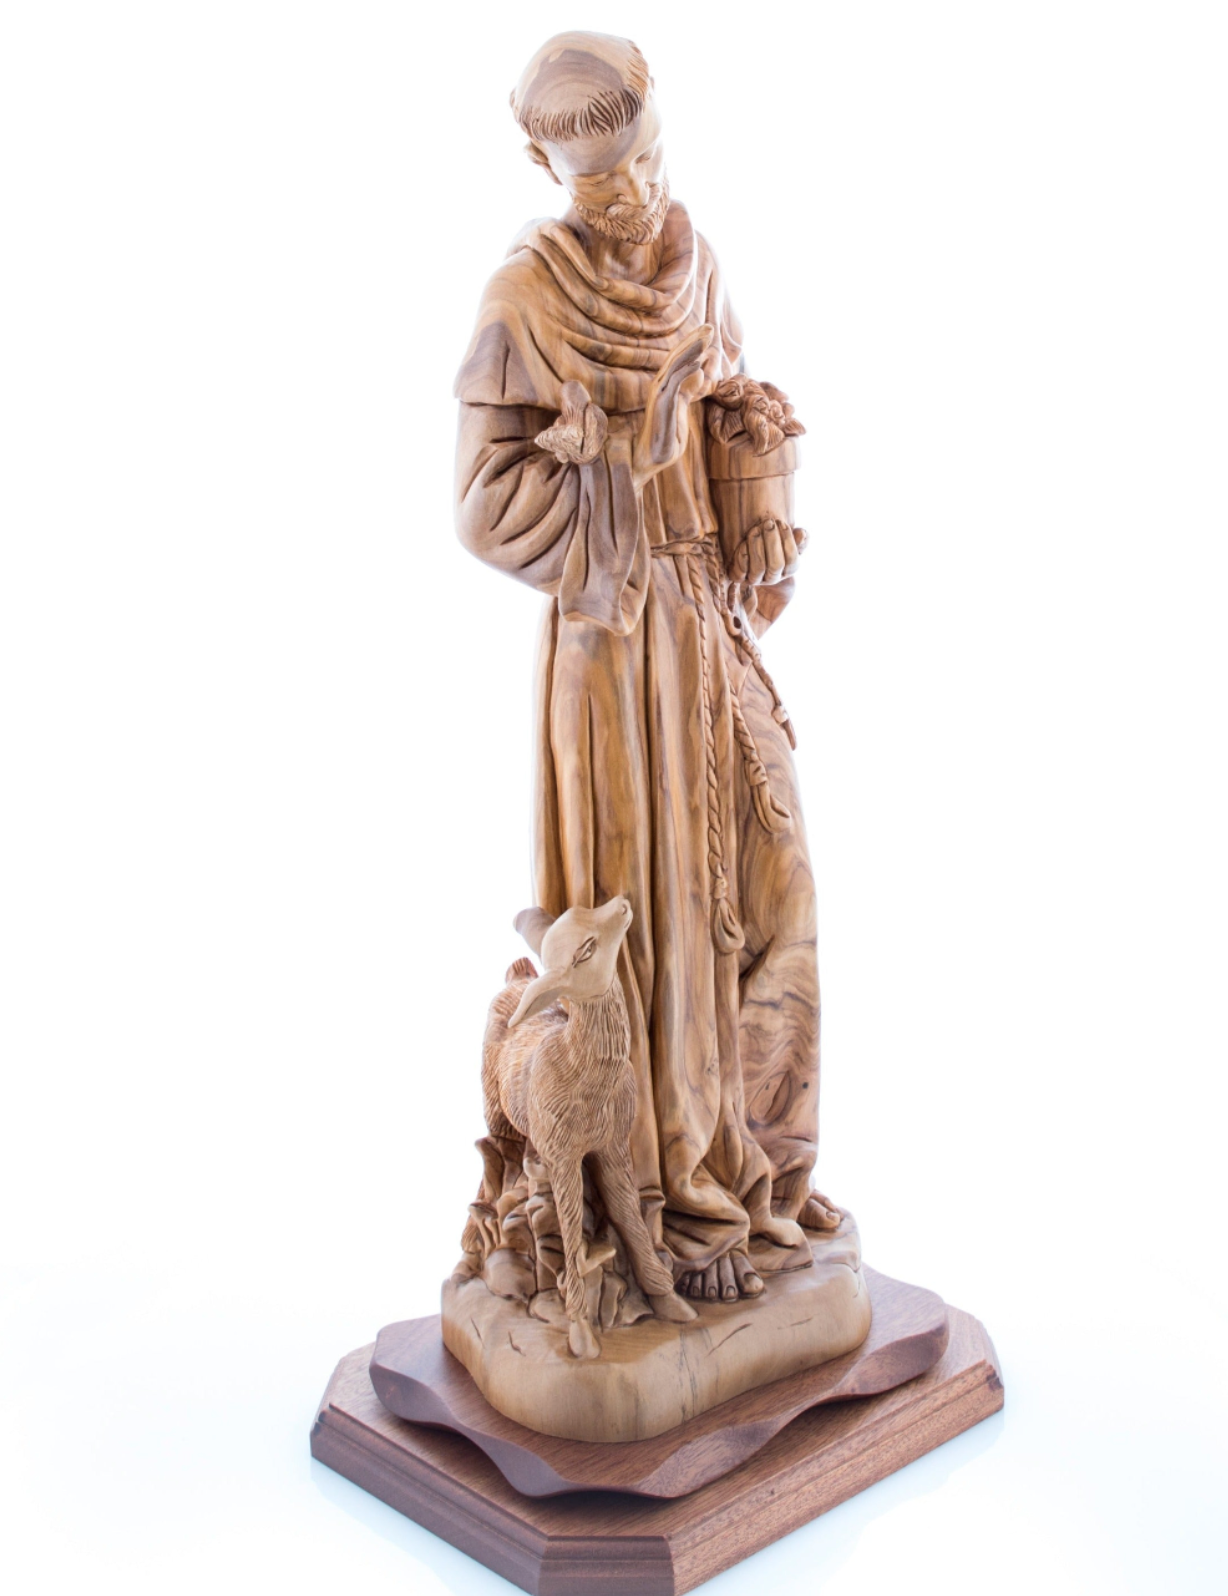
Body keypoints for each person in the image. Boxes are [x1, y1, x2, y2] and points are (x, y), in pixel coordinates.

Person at [455, 31, 838, 1303]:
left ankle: (756, 1163)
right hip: (614, 647)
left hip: (703, 619)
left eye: (650, 158)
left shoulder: (694, 260)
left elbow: (727, 402)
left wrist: (748, 473)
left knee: (773, 880)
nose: (638, 193)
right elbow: (485, 504)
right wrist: (623, 462)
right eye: (607, 177)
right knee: (652, 909)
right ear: (548, 166)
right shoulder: (526, 296)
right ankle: (668, 1204)